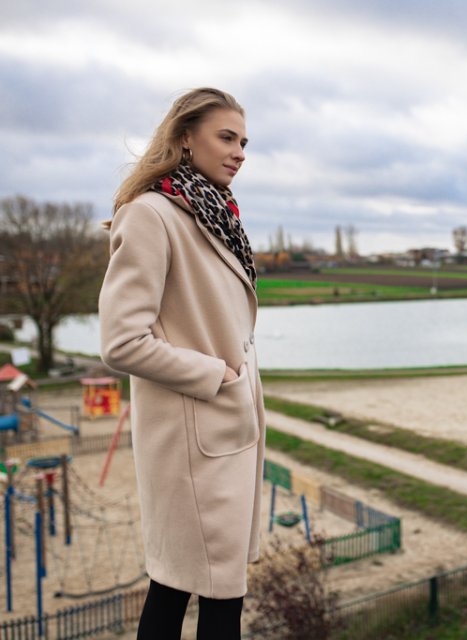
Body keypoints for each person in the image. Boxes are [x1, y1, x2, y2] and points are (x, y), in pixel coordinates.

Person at [99, 88, 265, 639]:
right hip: (195, 435)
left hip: (226, 430)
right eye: (226, 137)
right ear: (184, 137)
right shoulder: (151, 214)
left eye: (244, 141)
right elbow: (122, 341)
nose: (240, 151)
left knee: (177, 590)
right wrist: (214, 376)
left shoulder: (216, 213)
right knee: (217, 600)